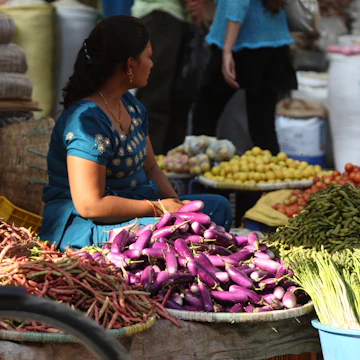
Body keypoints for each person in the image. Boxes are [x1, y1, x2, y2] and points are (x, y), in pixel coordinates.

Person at [39, 16, 232, 251]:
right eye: (149, 56)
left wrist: (180, 206)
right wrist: (160, 208)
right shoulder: (86, 122)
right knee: (168, 236)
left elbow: (150, 168)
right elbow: (90, 206)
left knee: (216, 208)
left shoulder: (131, 106)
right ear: (130, 64)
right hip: (88, 225)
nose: (153, 64)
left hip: (138, 207)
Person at [191, 0, 298, 155]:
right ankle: (272, 175)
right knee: (263, 127)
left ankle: (198, 172)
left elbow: (237, 3)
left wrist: (227, 50)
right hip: (272, 42)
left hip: (240, 44)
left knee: (204, 118)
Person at [131, 0, 206, 155]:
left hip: (172, 19)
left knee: (176, 101)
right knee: (156, 99)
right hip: (159, 15)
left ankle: (169, 168)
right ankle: (147, 166)